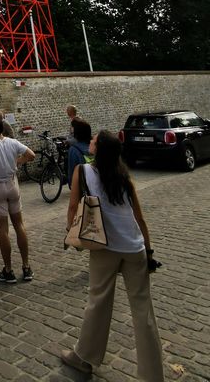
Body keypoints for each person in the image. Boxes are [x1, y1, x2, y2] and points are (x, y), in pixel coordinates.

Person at [62, 131, 164, 380]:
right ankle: (153, 375)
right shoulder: (124, 177)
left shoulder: (81, 172)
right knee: (143, 311)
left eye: (95, 140)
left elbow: (74, 206)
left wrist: (71, 234)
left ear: (99, 149)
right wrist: (148, 252)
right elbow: (139, 217)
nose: (91, 142)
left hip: (105, 247)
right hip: (134, 248)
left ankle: (84, 357)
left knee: (98, 301)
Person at [0, 115, 35, 283]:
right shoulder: (12, 142)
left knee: (3, 230)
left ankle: (8, 269)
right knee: (19, 225)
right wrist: (16, 162)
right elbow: (31, 155)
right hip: (13, 184)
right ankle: (26, 267)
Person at [66, 118, 92, 187]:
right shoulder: (95, 146)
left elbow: (72, 172)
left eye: (72, 127)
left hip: (83, 186)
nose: (70, 128)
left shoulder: (74, 149)